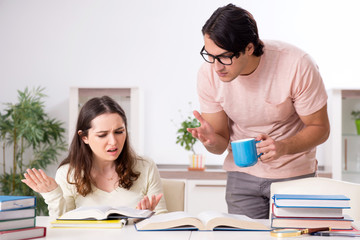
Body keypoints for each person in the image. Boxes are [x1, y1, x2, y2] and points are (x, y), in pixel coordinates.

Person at [188, 4, 330, 219]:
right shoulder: (208, 74)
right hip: (241, 178)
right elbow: (220, 145)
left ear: (249, 48)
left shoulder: (296, 64)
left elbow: (320, 129)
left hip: (294, 175)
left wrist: (283, 147)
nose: (217, 67)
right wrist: (210, 141)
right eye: (210, 55)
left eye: (225, 56)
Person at [22, 96, 167, 217]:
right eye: (102, 135)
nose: (113, 141)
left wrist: (146, 218)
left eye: (119, 132)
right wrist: (53, 195)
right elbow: (63, 227)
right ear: (84, 137)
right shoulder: (68, 174)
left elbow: (162, 219)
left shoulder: (146, 166)